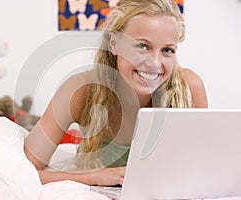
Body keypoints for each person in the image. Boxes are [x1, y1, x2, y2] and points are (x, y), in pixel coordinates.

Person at [24, 0, 208, 186]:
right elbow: (23, 170)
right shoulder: (80, 90)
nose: (154, 62)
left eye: (167, 50)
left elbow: (208, 168)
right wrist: (95, 177)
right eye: (142, 46)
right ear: (114, 43)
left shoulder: (189, 88)